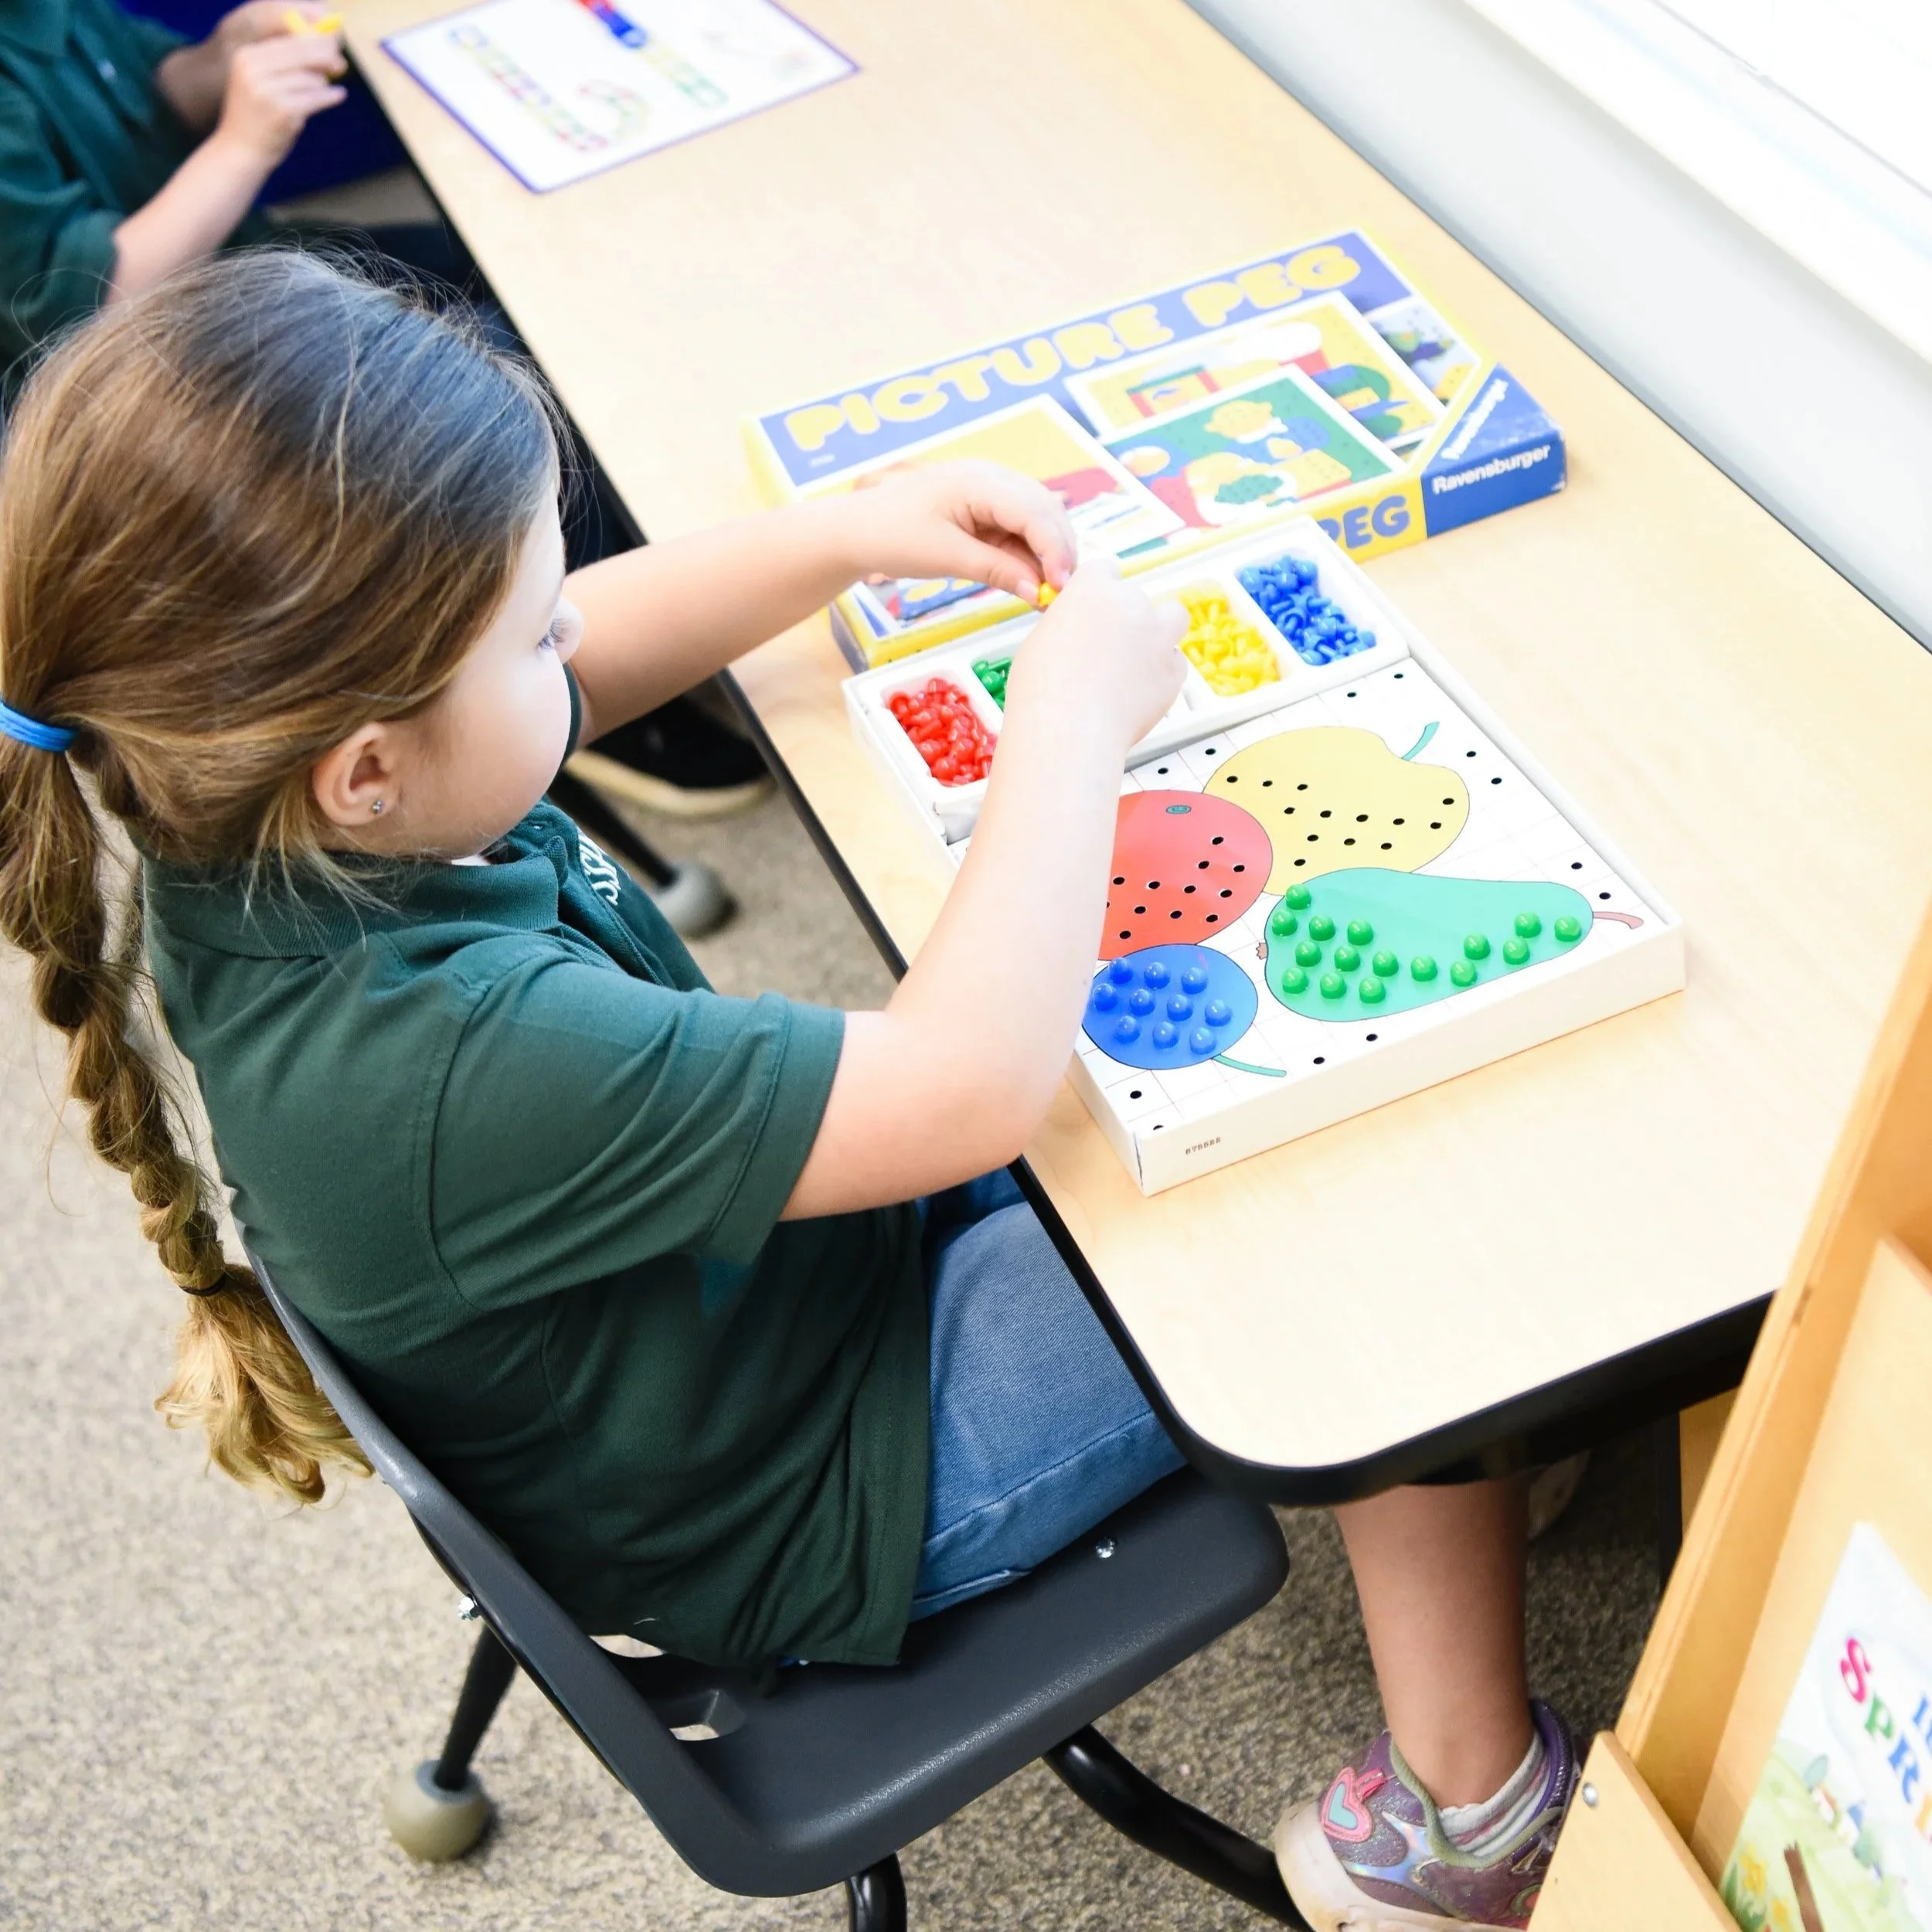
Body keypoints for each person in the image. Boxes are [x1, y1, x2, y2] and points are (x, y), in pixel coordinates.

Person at [0, 254, 1575, 1931]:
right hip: (839, 1472)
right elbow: (968, 1087)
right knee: (1348, 1201)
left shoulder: (264, 799)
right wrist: (1069, 717)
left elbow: (580, 665)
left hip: (748, 1334)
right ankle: (1470, 1819)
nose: (574, 635)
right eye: (536, 628)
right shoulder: (445, 1059)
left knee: (1165, 1075)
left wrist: (850, 531)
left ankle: (1425, 1481)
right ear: (367, 760)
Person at [0, 0, 764, 815]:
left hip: (237, 279)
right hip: (156, 381)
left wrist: (210, 70)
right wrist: (242, 141)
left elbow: (133, 88)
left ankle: (583, 611)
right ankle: (567, 697)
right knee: (484, 410)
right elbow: (87, 309)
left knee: (521, 295)